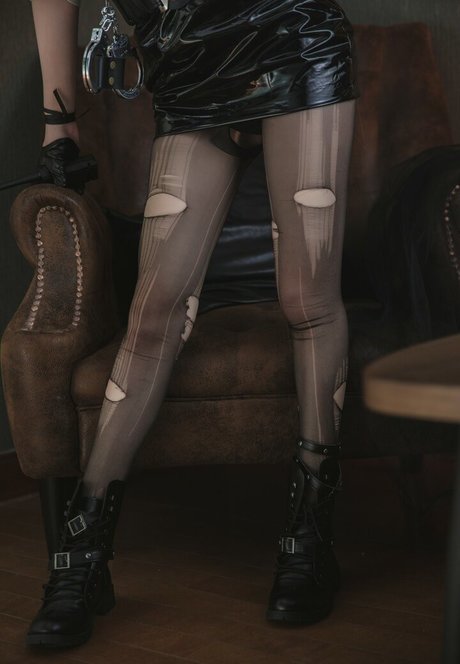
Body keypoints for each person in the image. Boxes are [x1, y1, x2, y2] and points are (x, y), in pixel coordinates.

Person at [26, 0, 358, 647]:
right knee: (154, 312)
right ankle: (82, 559)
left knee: (306, 298)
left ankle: (311, 541)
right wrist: (57, 121)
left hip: (292, 38)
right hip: (184, 68)